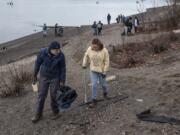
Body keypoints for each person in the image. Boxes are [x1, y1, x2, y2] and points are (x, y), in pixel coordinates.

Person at [31, 41, 66, 123]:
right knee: (41, 96)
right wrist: (34, 75)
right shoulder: (43, 52)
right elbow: (37, 64)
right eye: (56, 50)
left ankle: (56, 112)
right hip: (44, 77)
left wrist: (62, 80)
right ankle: (38, 114)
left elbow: (63, 69)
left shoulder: (61, 55)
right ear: (50, 49)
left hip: (55, 77)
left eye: (59, 49)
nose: (58, 51)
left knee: (54, 95)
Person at [82, 38, 109, 108]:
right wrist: (84, 64)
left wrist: (105, 71)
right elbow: (86, 56)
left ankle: (105, 93)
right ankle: (94, 100)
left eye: (95, 47)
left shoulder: (104, 51)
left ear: (99, 45)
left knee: (103, 85)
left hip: (101, 71)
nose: (94, 48)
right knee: (94, 85)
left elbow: (107, 62)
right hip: (93, 70)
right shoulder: (90, 49)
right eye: (93, 47)